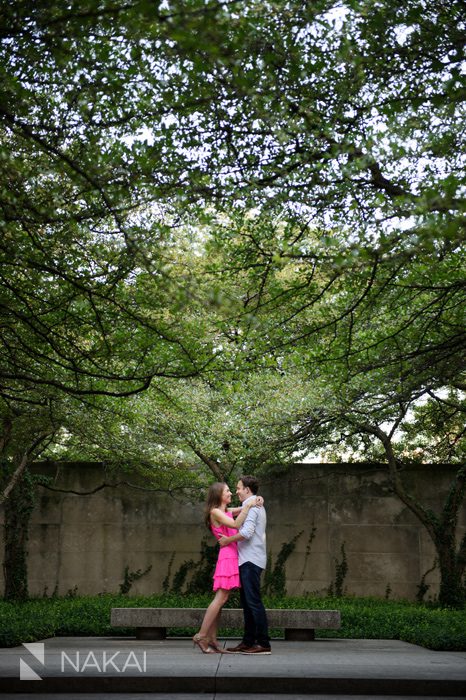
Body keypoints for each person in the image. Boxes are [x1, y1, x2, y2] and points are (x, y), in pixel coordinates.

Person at [192, 481, 262, 654]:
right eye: (228, 491)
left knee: (222, 600)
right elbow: (236, 525)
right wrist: (250, 504)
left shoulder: (225, 511)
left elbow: (241, 509)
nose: (231, 493)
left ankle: (212, 639)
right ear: (219, 495)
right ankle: (201, 636)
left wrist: (256, 499)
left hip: (231, 556)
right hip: (227, 557)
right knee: (220, 598)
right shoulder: (215, 512)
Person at [218, 475, 271, 655]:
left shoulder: (254, 507)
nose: (237, 491)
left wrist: (228, 541)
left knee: (253, 602)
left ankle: (263, 643)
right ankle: (248, 641)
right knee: (248, 603)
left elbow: (247, 532)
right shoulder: (252, 504)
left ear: (247, 489)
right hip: (247, 560)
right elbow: (229, 511)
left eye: (239, 487)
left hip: (251, 560)